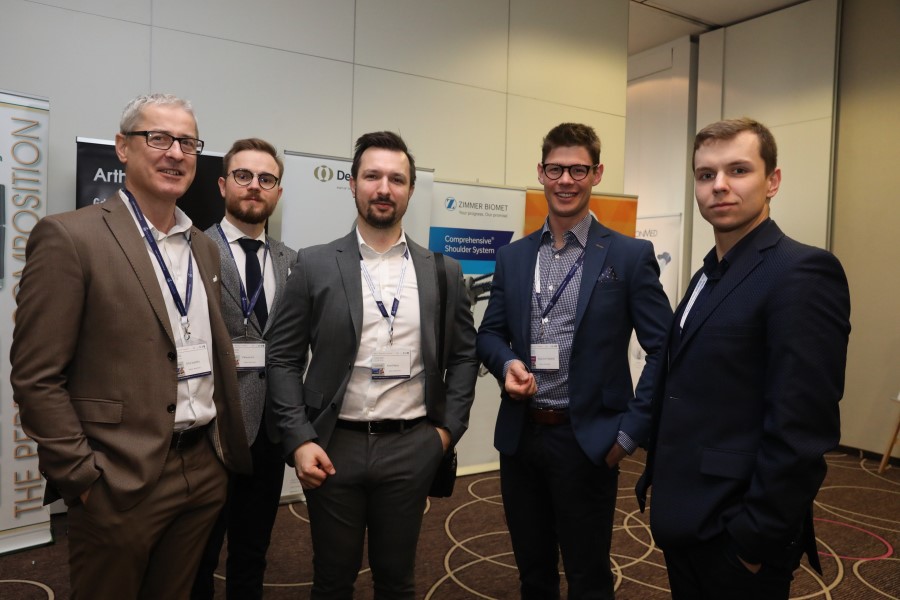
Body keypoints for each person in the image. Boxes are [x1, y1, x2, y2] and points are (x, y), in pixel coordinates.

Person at [10, 93, 251, 599]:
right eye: (158, 138)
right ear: (123, 148)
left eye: (187, 142)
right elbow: (36, 377)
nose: (175, 153)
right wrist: (82, 478)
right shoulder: (70, 237)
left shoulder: (204, 247)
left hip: (202, 467)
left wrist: (218, 462)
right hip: (118, 479)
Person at [636, 118, 851, 600]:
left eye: (738, 170)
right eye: (706, 174)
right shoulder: (706, 275)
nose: (719, 185)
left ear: (772, 181)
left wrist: (753, 541)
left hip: (737, 537)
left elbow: (802, 428)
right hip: (686, 518)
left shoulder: (802, 272)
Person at [266, 131, 478, 598]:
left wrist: (446, 433)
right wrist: (299, 438)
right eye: (372, 176)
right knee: (332, 579)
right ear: (352, 184)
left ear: (411, 189)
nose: (384, 188)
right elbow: (282, 358)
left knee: (397, 579)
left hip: (411, 447)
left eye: (396, 179)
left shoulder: (442, 271)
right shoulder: (314, 264)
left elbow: (465, 355)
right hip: (332, 447)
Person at [477, 122, 673, 599]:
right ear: (540, 173)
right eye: (556, 169)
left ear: (596, 174)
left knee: (588, 578)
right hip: (521, 438)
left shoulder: (628, 256)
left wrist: (628, 434)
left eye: (578, 170)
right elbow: (490, 334)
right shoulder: (514, 257)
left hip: (587, 441)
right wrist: (506, 365)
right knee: (533, 573)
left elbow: (666, 348)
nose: (566, 180)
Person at [192, 138, 298, 599]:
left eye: (266, 179)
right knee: (197, 555)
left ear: (277, 192)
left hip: (269, 433)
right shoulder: (193, 249)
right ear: (222, 185)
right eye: (244, 175)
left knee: (253, 551)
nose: (255, 185)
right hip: (210, 430)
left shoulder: (291, 259)